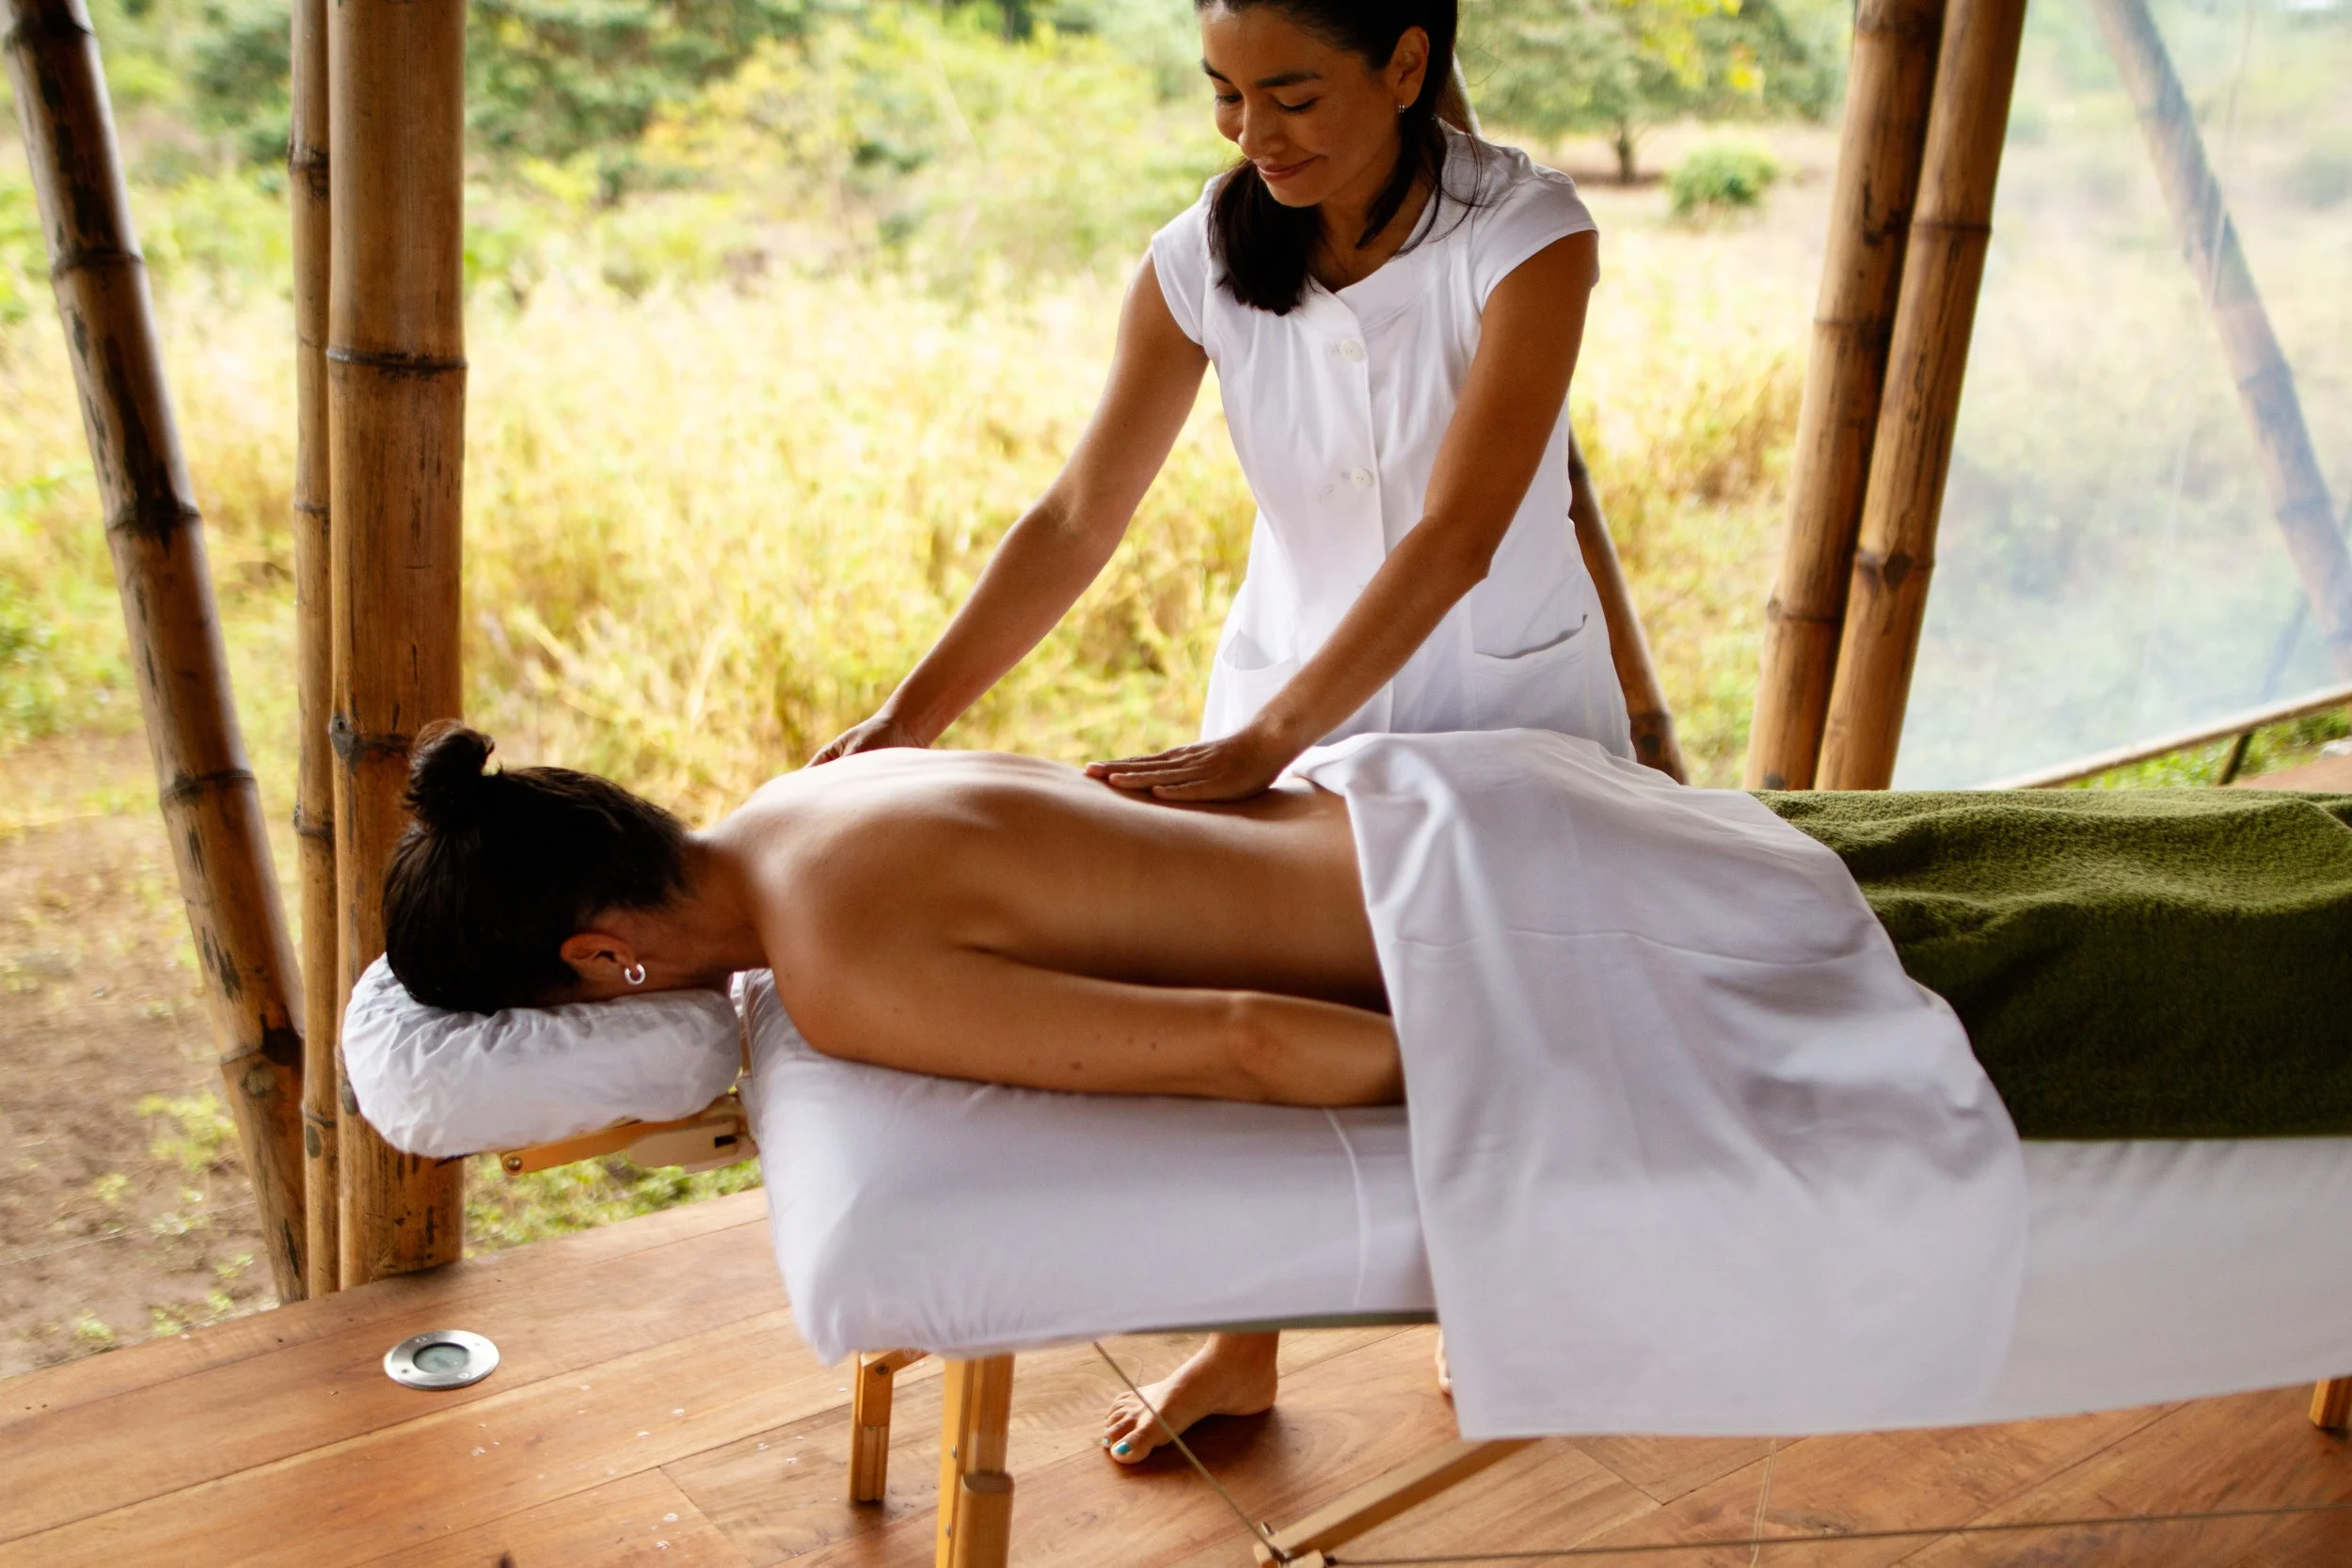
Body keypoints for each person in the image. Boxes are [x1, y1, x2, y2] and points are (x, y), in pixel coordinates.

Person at [384, 725, 2352, 1460]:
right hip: (1458, 794)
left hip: (1514, 934)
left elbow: (1240, 1040)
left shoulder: (842, 968)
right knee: (1944, 876)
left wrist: (1548, 1081)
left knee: (2024, 994)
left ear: (596, 957)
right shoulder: (823, 782)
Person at [811, 0, 1629, 1450]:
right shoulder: (1199, 260)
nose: (1255, 134)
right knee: (1274, 1011)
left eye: (1293, 94)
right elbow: (1076, 518)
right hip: (1283, 680)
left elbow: (1458, 532)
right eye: (1225, 94)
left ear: (1404, 64)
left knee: (1488, 1001)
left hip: (1491, 689)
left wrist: (1264, 747)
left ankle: (1480, 1296)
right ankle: (1242, 1348)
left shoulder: (1530, 233)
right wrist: (906, 718)